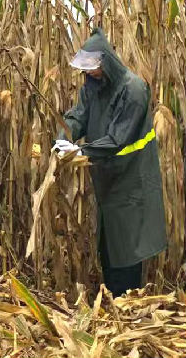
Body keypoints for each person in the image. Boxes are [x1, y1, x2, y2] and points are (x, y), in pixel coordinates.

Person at [54, 29, 166, 296]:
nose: (90, 73)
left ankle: (128, 303)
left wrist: (82, 153)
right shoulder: (93, 87)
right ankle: (115, 301)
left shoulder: (134, 89)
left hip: (132, 180)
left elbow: (118, 138)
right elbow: (77, 117)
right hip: (108, 181)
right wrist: (62, 138)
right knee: (110, 245)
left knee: (128, 245)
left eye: (94, 68)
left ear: (107, 63)